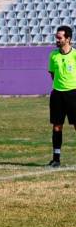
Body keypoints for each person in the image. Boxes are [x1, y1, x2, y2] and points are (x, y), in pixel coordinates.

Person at [47, 25, 76, 167]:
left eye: (60, 37)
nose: (57, 39)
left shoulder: (75, 55)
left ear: (68, 39)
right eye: (56, 37)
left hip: (73, 94)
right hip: (57, 95)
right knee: (57, 127)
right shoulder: (53, 55)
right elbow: (52, 74)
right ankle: (56, 158)